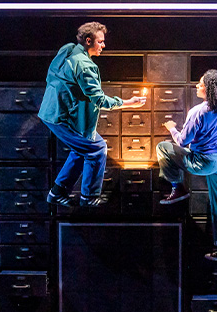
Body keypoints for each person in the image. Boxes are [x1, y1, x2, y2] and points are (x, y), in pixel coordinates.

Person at [156, 48, 217, 261]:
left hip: (204, 162)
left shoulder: (198, 112)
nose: (197, 86)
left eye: (200, 84)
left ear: (209, 89)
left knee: (164, 147)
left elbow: (182, 141)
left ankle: (178, 187)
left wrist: (172, 128)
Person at [40, 21, 147, 207]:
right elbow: (99, 99)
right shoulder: (84, 66)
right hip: (64, 118)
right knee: (96, 148)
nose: (103, 46)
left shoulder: (68, 50)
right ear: (89, 41)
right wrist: (128, 102)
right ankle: (89, 197)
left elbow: (52, 77)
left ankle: (57, 192)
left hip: (53, 112)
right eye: (100, 42)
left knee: (82, 149)